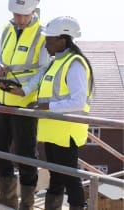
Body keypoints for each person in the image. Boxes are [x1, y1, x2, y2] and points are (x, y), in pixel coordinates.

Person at [0, 0, 50, 209]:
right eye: (16, 14)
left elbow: (44, 69)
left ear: (34, 11)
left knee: (25, 153)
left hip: (24, 102)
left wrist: (26, 89)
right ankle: (7, 196)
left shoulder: (43, 34)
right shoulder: (7, 27)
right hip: (2, 99)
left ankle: (27, 202)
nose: (20, 19)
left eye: (24, 15)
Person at [34, 16, 94, 210]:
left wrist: (47, 107)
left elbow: (78, 101)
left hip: (66, 132)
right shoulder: (57, 62)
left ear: (63, 39)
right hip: (53, 130)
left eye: (49, 40)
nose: (45, 45)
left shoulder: (75, 64)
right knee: (56, 175)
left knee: (70, 177)